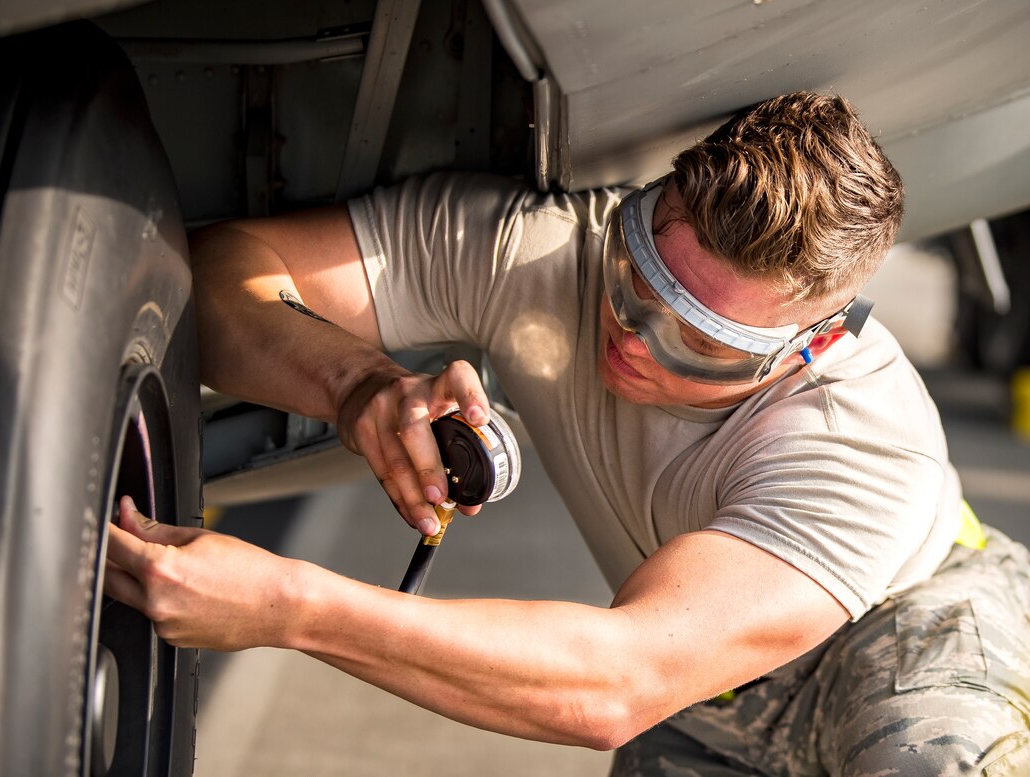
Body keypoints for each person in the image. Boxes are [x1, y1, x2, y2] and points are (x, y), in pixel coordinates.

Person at [105, 92, 1030, 774]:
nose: (633, 336)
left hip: (904, 632)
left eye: (702, 340)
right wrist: (355, 383)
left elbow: (613, 683)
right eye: (639, 280)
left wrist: (291, 607)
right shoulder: (544, 250)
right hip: (701, 677)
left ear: (808, 344)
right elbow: (224, 266)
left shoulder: (858, 439)